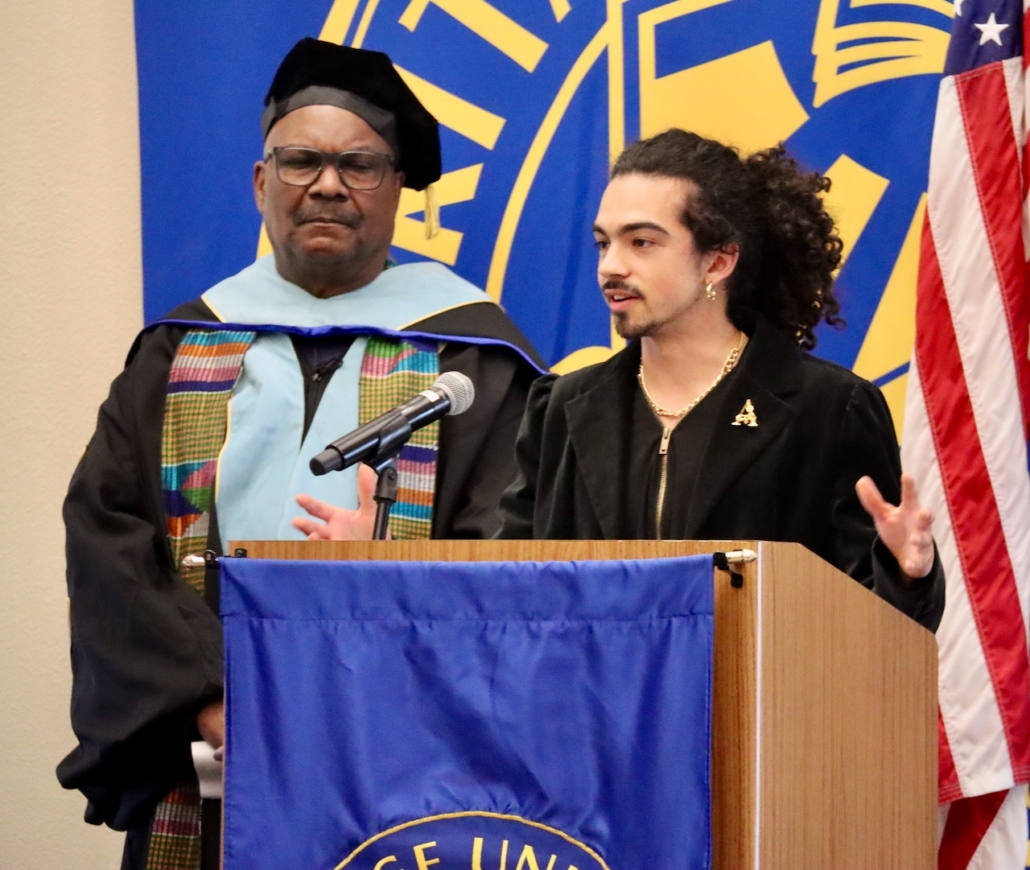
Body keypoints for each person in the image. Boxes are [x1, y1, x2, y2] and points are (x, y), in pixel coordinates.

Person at [57, 38, 543, 870]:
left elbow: (506, 555)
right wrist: (211, 700)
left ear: (398, 189)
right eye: (301, 161)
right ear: (261, 181)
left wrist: (385, 595)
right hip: (211, 762)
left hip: (406, 767)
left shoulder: (475, 362)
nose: (327, 185)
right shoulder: (178, 348)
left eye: (359, 165)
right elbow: (109, 540)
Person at [495, 129, 944, 630]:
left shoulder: (828, 408)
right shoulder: (563, 406)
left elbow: (880, 627)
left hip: (760, 680)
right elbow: (504, 588)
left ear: (718, 261)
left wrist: (906, 575)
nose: (611, 267)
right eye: (604, 243)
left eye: (641, 242)